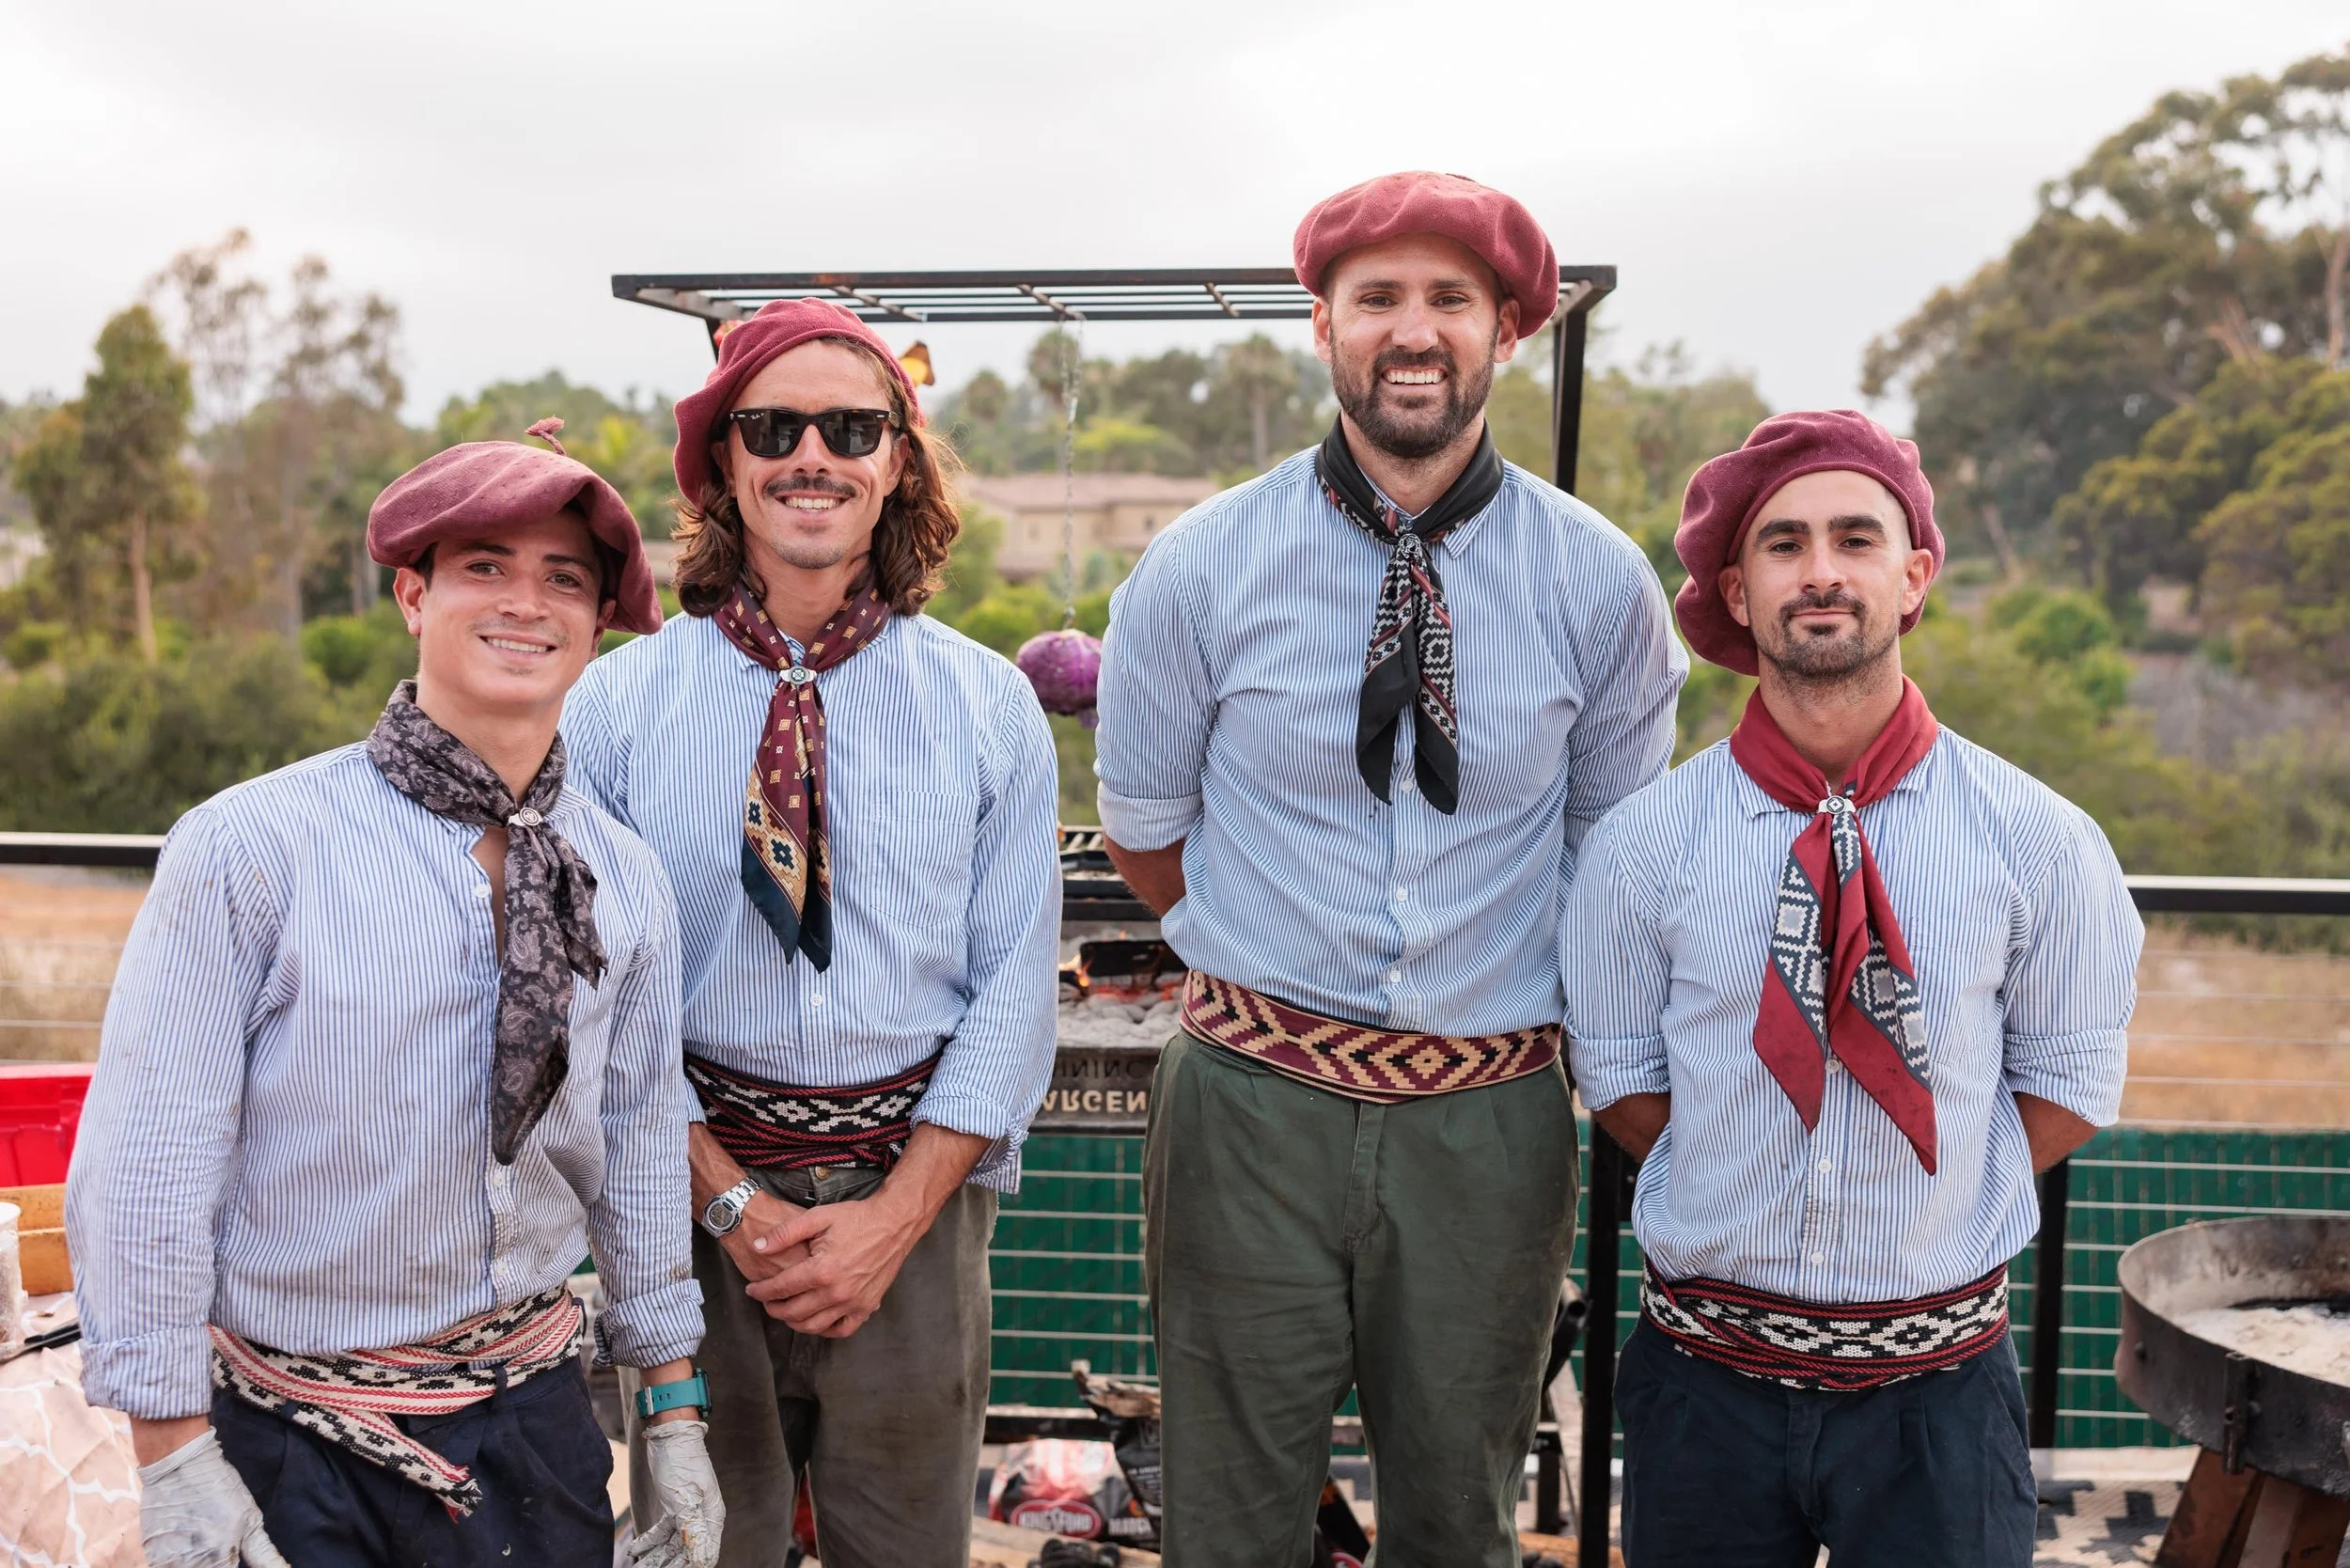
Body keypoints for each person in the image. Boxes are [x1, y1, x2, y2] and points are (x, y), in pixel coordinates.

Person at [1093, 171, 1686, 1565]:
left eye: (1448, 300)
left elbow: (1611, 855)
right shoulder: (1195, 572)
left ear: (1506, 333)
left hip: (1490, 1127)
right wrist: (1273, 970)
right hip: (1249, 1108)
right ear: (1321, 325)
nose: (1412, 331)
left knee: (1458, 1525)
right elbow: (1143, 828)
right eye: (1377, 300)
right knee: (1228, 1526)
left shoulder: (1600, 586)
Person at [66, 422, 724, 1568]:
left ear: (597, 627)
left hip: (537, 1436)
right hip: (290, 1443)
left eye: (564, 579)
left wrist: (672, 1415)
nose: (527, 602)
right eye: (486, 567)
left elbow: (637, 1145)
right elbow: (149, 1160)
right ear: (412, 593)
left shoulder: (623, 878)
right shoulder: (251, 849)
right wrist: (172, 1454)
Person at [1563, 410, 2141, 1568]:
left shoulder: (2038, 839)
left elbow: (2070, 1078)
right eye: (1781, 544)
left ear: (1913, 574)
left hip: (1940, 1401)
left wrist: (1927, 1189)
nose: (1819, 571)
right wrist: (1748, 1162)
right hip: (1703, 1390)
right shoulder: (1642, 846)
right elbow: (1620, 1081)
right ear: (1734, 591)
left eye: (1854, 539)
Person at [560, 298, 1060, 1568]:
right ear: (722, 463)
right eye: (773, 427)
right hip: (681, 1207)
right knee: (697, 1545)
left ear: (899, 462)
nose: (813, 457)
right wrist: (730, 1205)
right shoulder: (615, 707)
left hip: (915, 1218)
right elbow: (593, 994)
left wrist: (893, 1218)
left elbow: (1014, 987)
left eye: (853, 427)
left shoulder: (989, 707)